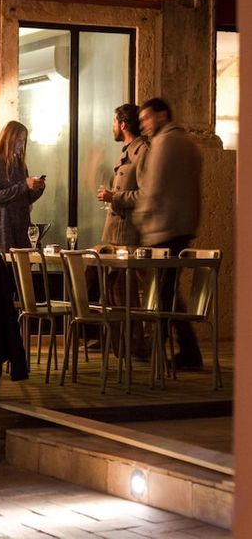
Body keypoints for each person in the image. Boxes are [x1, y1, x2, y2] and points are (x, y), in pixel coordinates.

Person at [133, 97, 203, 370]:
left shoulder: (164, 143)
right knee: (168, 291)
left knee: (164, 293)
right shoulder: (187, 143)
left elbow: (154, 187)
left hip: (163, 230)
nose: (143, 125)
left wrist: (141, 218)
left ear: (162, 115)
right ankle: (169, 347)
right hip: (182, 228)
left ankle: (172, 348)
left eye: (146, 118)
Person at [96, 104, 149, 357]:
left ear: (123, 124)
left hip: (129, 235)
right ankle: (119, 344)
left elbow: (146, 194)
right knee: (114, 292)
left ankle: (134, 345)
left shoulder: (142, 151)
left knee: (127, 294)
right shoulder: (127, 151)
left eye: (114, 122)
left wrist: (113, 197)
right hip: (115, 236)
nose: (112, 127)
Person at [0, 121, 45, 251]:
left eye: (23, 140)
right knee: (5, 263)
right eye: (19, 140)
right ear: (8, 138)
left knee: (23, 263)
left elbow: (25, 199)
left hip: (21, 227)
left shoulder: (20, 165)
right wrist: (24, 184)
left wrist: (38, 188)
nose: (21, 144)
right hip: (1, 227)